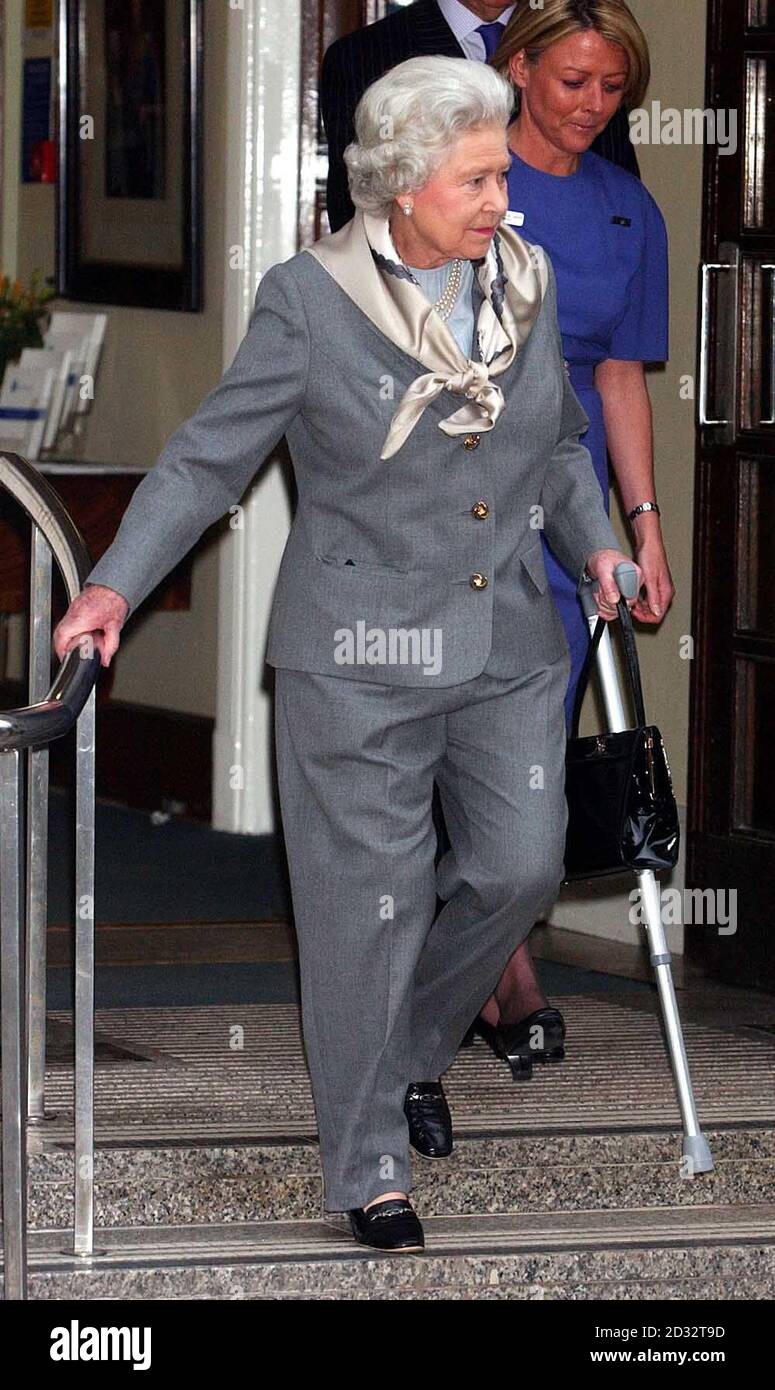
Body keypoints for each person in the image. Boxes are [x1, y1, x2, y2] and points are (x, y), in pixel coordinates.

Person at [53, 57, 642, 1254]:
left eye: (500, 178)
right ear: (401, 182)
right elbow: (211, 455)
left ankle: (414, 1046)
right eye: (478, 179)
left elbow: (560, 445)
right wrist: (113, 581)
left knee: (522, 869)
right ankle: (368, 1159)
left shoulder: (520, 280)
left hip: (508, 647)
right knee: (359, 912)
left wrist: (598, 547)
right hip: (358, 655)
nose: (501, 203)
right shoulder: (309, 299)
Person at [462, 0, 674, 1075]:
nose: (592, 105)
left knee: (530, 744)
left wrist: (644, 524)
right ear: (519, 67)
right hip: (454, 489)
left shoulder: (629, 209)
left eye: (610, 87)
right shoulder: (463, 179)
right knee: (451, 734)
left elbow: (620, 375)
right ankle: (490, 975)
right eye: (570, 82)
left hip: (571, 509)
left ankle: (501, 969)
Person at [321, 0, 640, 238]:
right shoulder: (363, 56)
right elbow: (358, 215)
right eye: (573, 82)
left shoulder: (581, 38)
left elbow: (618, 207)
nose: (596, 100)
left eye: (610, 87)